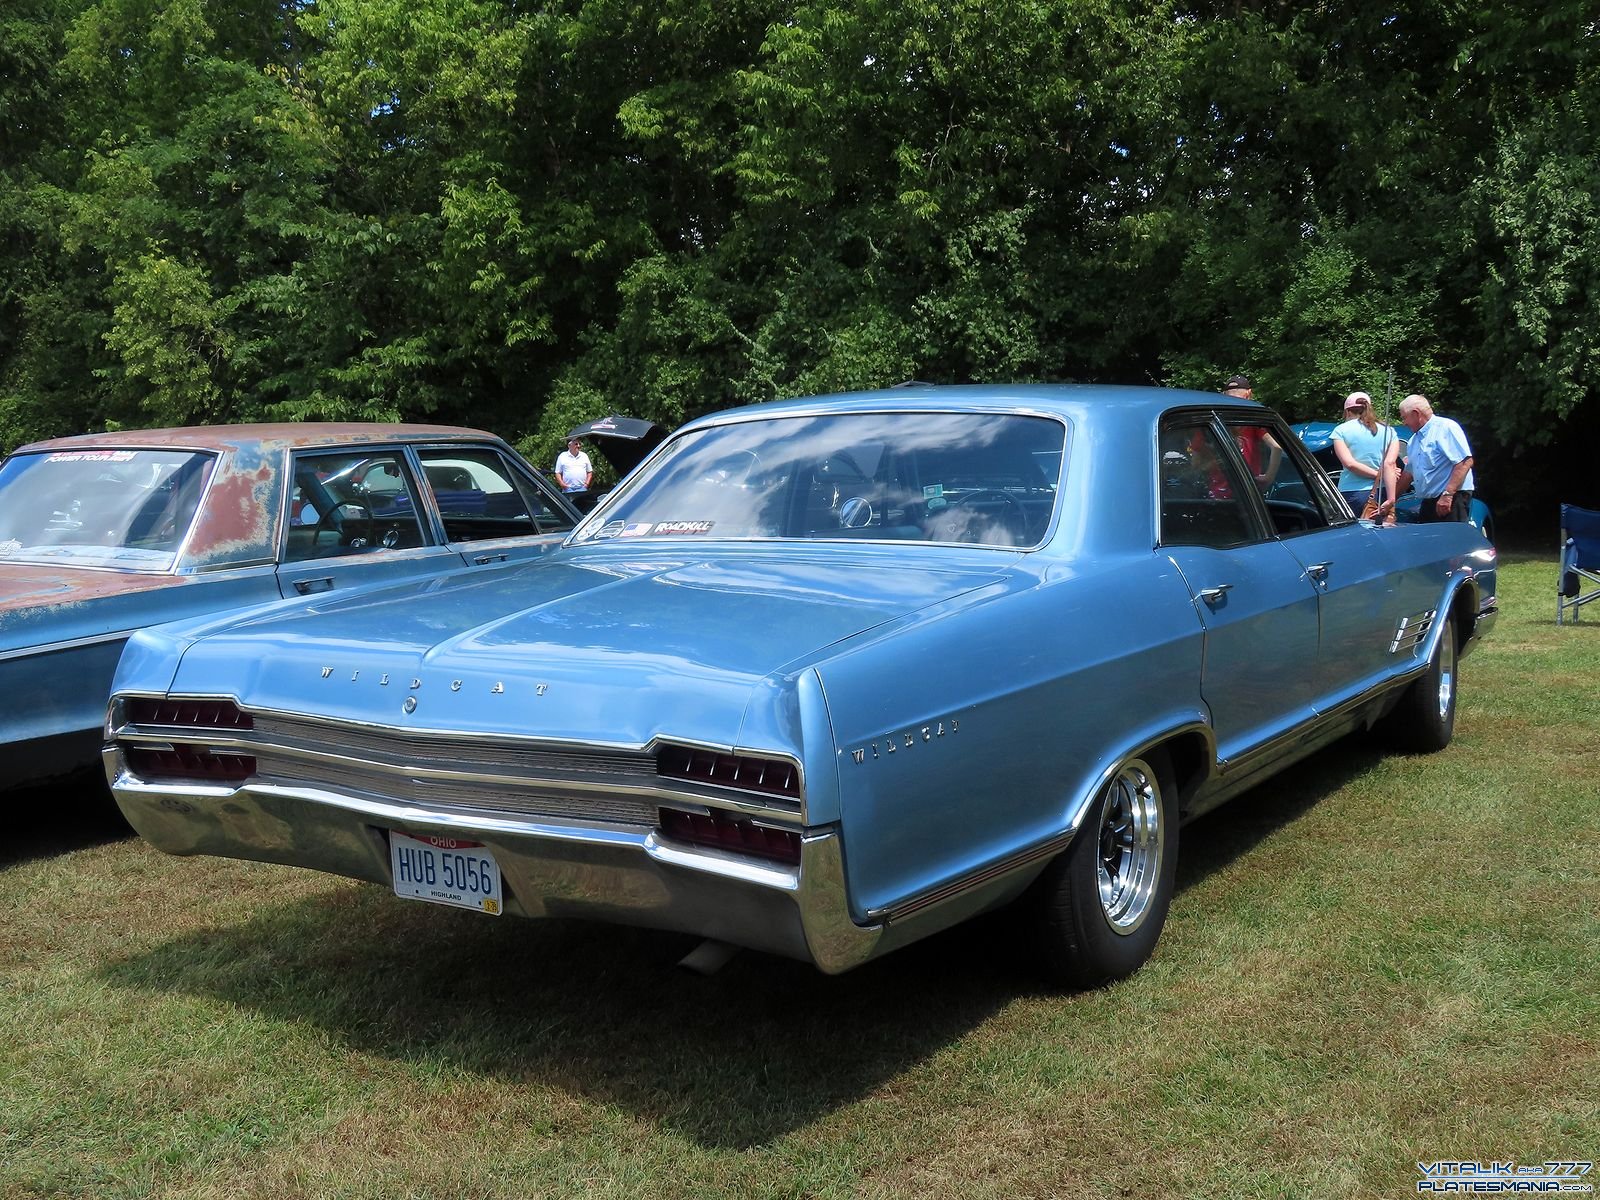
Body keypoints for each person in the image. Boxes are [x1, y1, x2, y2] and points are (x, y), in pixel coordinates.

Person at [1393, 394, 1475, 523]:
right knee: (1429, 541)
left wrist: (1448, 495)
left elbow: (1465, 462)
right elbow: (1408, 474)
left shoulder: (1446, 428)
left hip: (1451, 498)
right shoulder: (1414, 440)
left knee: (1452, 541)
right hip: (1429, 501)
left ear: (1416, 414)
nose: (1404, 423)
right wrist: (1391, 500)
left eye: (1404, 418)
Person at [1331, 390, 1399, 523]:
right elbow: (1390, 464)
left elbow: (1350, 464)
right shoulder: (1389, 431)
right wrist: (1384, 480)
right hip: (1384, 492)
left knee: (1357, 538)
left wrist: (1376, 475)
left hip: (1353, 492)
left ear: (1348, 412)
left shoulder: (1340, 431)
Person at [1220, 374, 1283, 487]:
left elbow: (1196, 462)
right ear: (1249, 394)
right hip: (1248, 490)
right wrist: (1268, 478)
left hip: (1217, 492)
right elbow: (1277, 447)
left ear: (1224, 394)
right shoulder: (1253, 420)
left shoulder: (1213, 419)